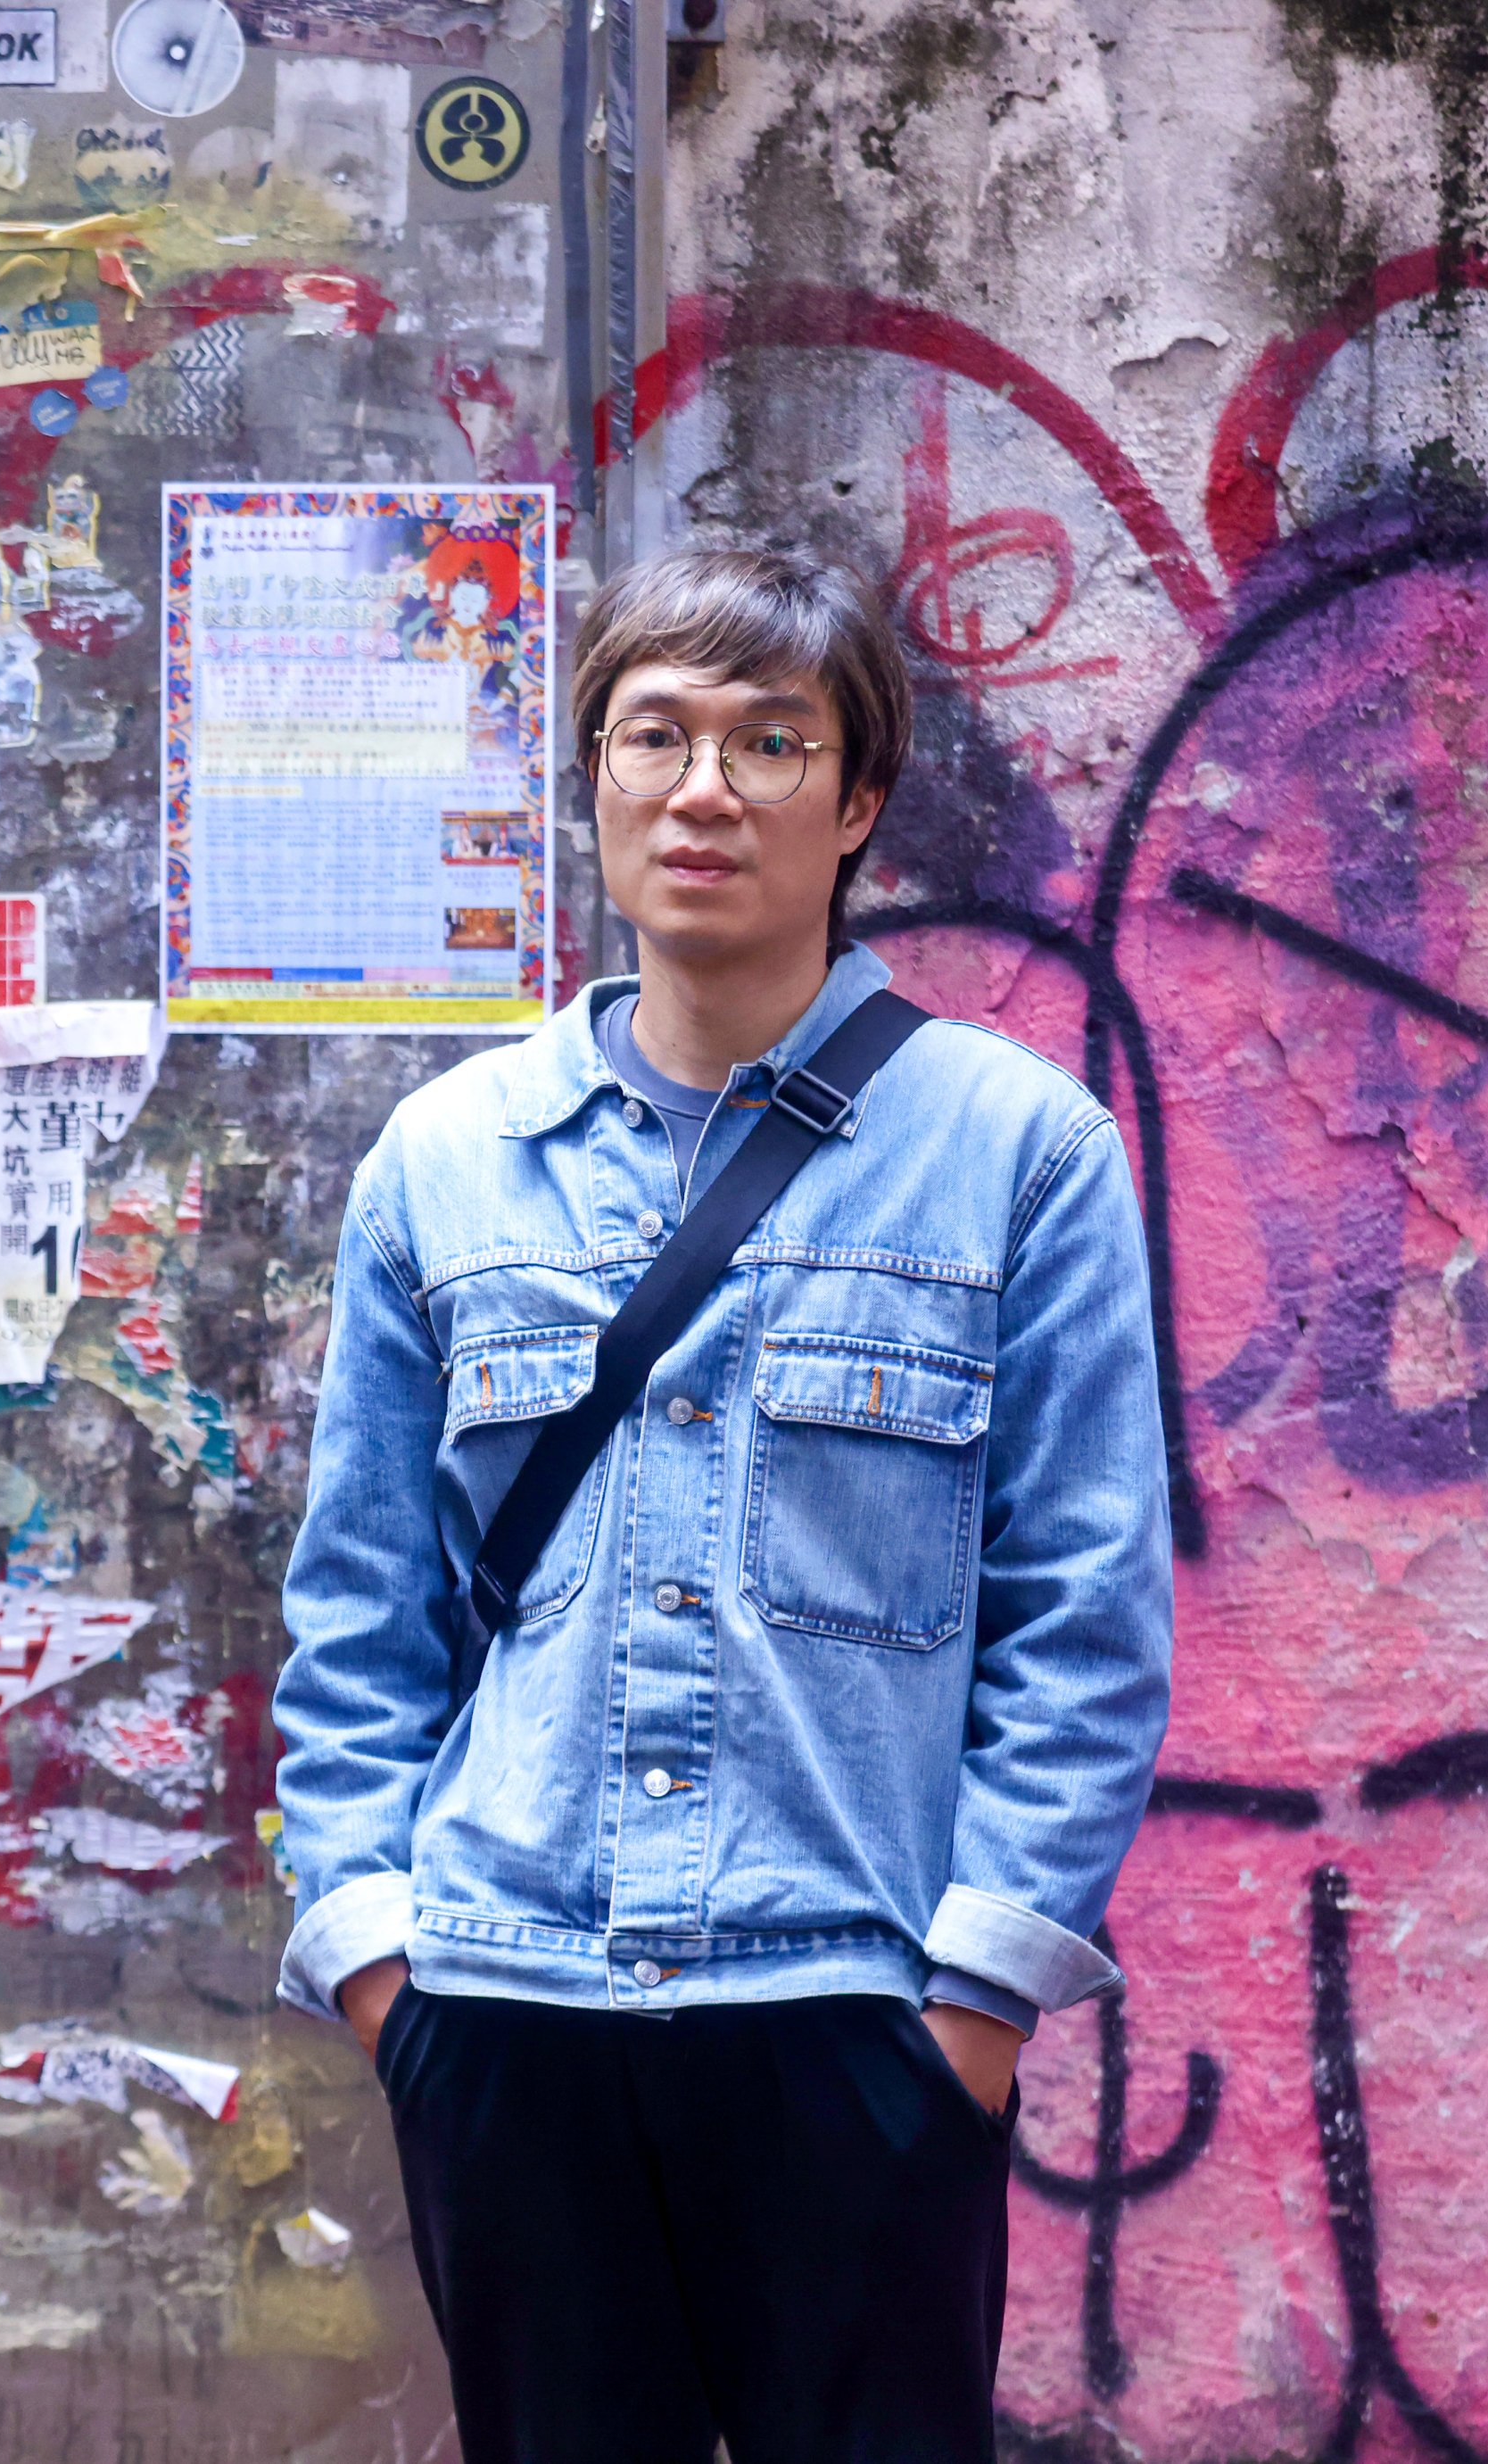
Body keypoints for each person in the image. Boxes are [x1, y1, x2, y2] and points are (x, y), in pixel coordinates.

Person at [272, 543, 1173, 2460]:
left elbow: (1082, 1618)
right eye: (651, 735)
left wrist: (971, 2012)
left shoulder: (1019, 1155)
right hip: (504, 1998)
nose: (702, 788)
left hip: (855, 2007)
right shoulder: (444, 1163)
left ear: (852, 801)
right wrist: (379, 1965)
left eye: (769, 742)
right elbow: (360, 1616)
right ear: (588, 779)